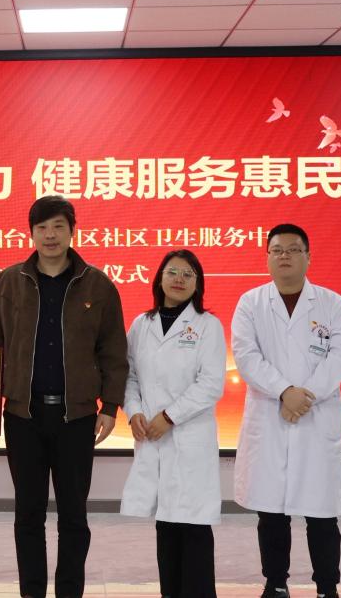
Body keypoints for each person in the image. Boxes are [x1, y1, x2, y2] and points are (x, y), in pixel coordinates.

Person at [0, 195, 128, 598]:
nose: (50, 235)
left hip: (76, 418)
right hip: (22, 417)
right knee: (27, 515)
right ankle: (31, 592)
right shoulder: (8, 283)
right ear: (31, 233)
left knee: (74, 517)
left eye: (58, 226)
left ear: (72, 231)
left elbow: (113, 351)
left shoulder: (97, 285)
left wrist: (110, 407)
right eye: (42, 227)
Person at [232, 223, 341, 598]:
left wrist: (306, 396)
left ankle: (326, 588)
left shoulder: (332, 303)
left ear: (308, 257)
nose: (284, 256)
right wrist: (284, 392)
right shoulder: (251, 303)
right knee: (271, 512)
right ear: (267, 258)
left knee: (322, 513)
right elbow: (246, 356)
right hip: (270, 415)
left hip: (316, 417)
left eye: (293, 249)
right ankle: (276, 584)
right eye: (277, 250)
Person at [120, 249, 225, 598]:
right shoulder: (142, 324)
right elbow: (129, 376)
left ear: (198, 284)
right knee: (166, 526)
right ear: (159, 279)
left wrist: (169, 417)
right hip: (152, 437)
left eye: (187, 274)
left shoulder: (208, 326)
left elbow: (211, 384)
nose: (179, 279)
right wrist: (134, 411)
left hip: (189, 437)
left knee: (194, 527)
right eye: (172, 272)